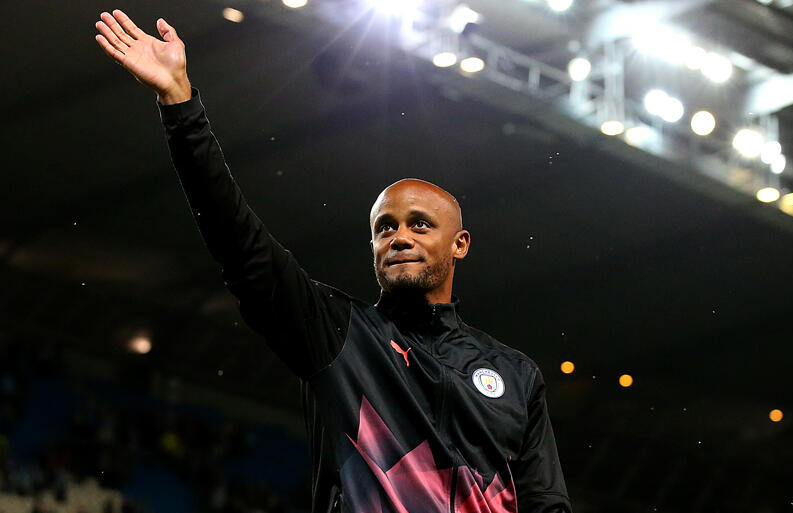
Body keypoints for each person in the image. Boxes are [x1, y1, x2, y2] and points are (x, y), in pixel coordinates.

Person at [94, 10, 572, 512]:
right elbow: (238, 242)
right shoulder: (339, 334)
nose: (399, 237)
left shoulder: (515, 374)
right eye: (385, 228)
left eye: (420, 225)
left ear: (460, 244)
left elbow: (546, 504)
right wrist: (179, 103)